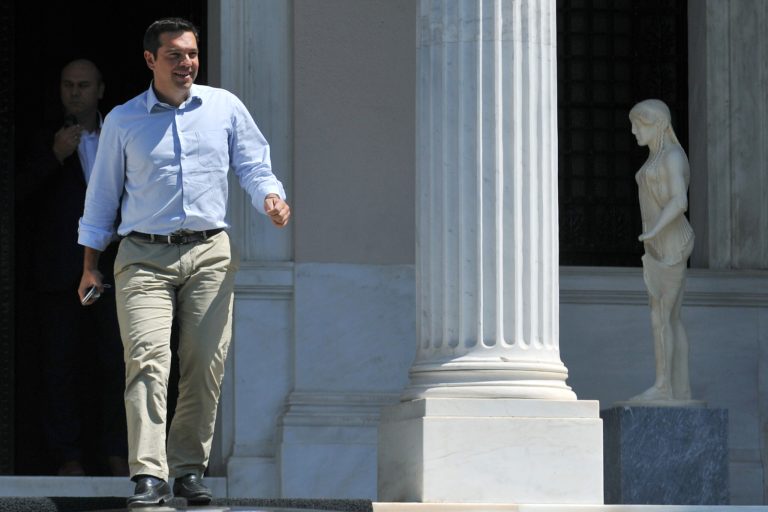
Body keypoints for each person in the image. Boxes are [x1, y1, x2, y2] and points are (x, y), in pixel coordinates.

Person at [77, 18, 290, 508]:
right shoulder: (124, 120)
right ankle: (149, 474)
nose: (186, 63)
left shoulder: (224, 107)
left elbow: (253, 164)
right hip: (143, 255)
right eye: (174, 54)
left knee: (205, 363)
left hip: (209, 252)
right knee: (148, 360)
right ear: (150, 60)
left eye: (191, 53)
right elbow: (102, 197)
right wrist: (90, 264)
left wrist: (271, 198)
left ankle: (189, 469)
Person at [16, 59, 128, 476]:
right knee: (60, 366)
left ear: (100, 90)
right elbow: (17, 193)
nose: (75, 93)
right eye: (68, 85)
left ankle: (117, 453)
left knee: (115, 362)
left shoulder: (121, 132)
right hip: (59, 270)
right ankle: (68, 457)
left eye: (83, 85)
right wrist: (54, 155)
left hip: (114, 268)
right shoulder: (41, 136)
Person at [627, 98, 694, 403]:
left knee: (661, 316)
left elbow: (680, 200)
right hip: (659, 246)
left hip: (671, 245)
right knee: (670, 317)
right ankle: (680, 390)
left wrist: (654, 230)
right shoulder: (658, 157)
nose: (633, 131)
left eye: (638, 124)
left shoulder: (672, 157)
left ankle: (664, 386)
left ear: (658, 125)